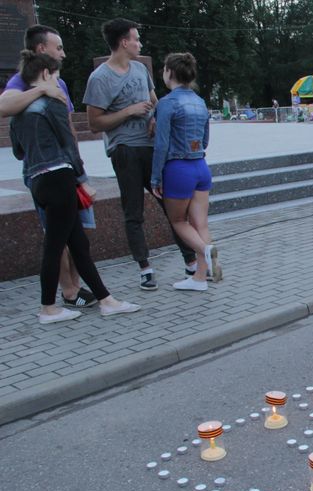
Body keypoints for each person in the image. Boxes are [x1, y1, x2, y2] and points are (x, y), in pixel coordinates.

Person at [10, 51, 140, 323]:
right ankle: (48, 308)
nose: (58, 82)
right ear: (45, 74)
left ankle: (106, 300)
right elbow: (68, 143)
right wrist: (82, 180)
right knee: (55, 247)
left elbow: (18, 152)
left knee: (78, 244)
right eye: (56, 76)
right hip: (59, 178)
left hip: (37, 180)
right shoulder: (52, 102)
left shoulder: (18, 112)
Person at [83, 18, 197, 291]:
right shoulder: (99, 78)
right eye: (136, 39)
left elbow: (155, 102)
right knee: (133, 212)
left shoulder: (139, 69)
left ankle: (191, 262)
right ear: (124, 42)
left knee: (172, 205)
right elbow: (94, 123)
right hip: (124, 151)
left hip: (152, 149)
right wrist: (128, 111)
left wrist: (156, 117)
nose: (140, 43)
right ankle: (145, 269)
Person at [0, 25, 101, 309]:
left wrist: (78, 167)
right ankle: (68, 292)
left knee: (78, 234)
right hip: (48, 173)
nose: (63, 53)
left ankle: (79, 289)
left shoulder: (60, 83)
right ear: (42, 48)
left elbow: (66, 126)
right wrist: (42, 89)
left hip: (67, 168)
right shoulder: (22, 79)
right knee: (59, 238)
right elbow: (4, 106)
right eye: (59, 47)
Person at [150, 53, 221, 291]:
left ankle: (206, 252)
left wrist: (155, 177)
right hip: (201, 166)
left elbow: (161, 145)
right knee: (201, 225)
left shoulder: (166, 103)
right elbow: (205, 140)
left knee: (179, 221)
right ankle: (200, 277)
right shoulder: (200, 102)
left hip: (178, 169)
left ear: (170, 72)